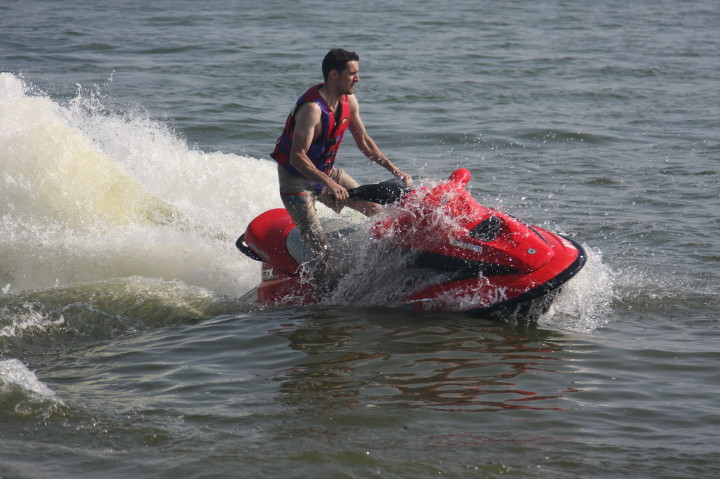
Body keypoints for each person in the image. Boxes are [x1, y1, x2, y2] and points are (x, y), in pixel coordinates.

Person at [271, 48, 412, 290]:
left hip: (327, 173)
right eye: (352, 73)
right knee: (319, 247)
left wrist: (394, 170)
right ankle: (322, 297)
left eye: (357, 73)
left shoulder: (349, 101)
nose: (358, 79)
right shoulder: (312, 109)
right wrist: (330, 184)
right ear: (334, 75)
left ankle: (390, 267)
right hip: (296, 182)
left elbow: (364, 141)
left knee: (375, 210)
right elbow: (296, 157)